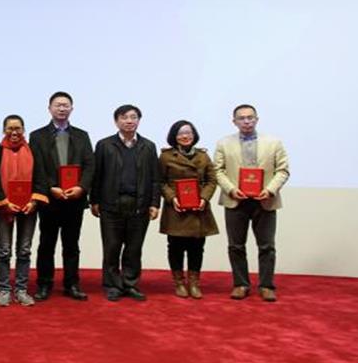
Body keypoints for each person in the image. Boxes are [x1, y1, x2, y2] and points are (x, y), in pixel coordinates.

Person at [213, 104, 289, 302]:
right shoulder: (223, 143)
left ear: (256, 119)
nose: (246, 121)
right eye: (241, 118)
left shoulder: (274, 143)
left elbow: (283, 170)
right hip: (235, 200)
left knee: (267, 246)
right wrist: (231, 189)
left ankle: (266, 285)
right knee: (236, 246)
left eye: (250, 117)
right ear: (234, 122)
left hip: (265, 200)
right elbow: (217, 171)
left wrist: (270, 190)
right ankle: (240, 284)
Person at [90, 104, 160, 302]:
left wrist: (155, 203)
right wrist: (94, 200)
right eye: (124, 117)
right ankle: (112, 285)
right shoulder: (104, 145)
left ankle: (130, 284)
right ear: (116, 121)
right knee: (111, 248)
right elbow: (97, 175)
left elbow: (155, 178)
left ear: (139, 120)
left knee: (134, 249)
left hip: (139, 205)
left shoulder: (148, 146)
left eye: (133, 117)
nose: (129, 121)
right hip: (111, 204)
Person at [29, 92, 95, 301]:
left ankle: (72, 284)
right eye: (58, 105)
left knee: (71, 245)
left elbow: (90, 165)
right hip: (50, 200)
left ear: (71, 109)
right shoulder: (37, 136)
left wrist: (81, 187)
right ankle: (44, 284)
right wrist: (50, 187)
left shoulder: (82, 135)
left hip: (75, 200)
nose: (62, 108)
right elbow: (36, 167)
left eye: (66, 105)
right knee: (46, 244)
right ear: (49, 108)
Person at [0, 115, 44, 307]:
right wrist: (5, 202)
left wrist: (34, 201)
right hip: (3, 208)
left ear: (23, 129)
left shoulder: (34, 151)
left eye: (18, 128)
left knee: (24, 250)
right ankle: (4, 290)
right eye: (10, 128)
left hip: (29, 208)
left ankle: (21, 290)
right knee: (4, 250)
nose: (14, 132)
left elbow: (40, 177)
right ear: (4, 130)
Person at [158, 120, 218, 299]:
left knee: (197, 248)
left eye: (189, 133)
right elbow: (160, 181)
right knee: (175, 247)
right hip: (176, 208)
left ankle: (194, 283)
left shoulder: (203, 156)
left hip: (199, 208)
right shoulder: (166, 156)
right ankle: (178, 282)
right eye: (181, 133)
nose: (185, 136)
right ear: (174, 136)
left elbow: (211, 180)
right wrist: (172, 198)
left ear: (194, 135)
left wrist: (204, 198)